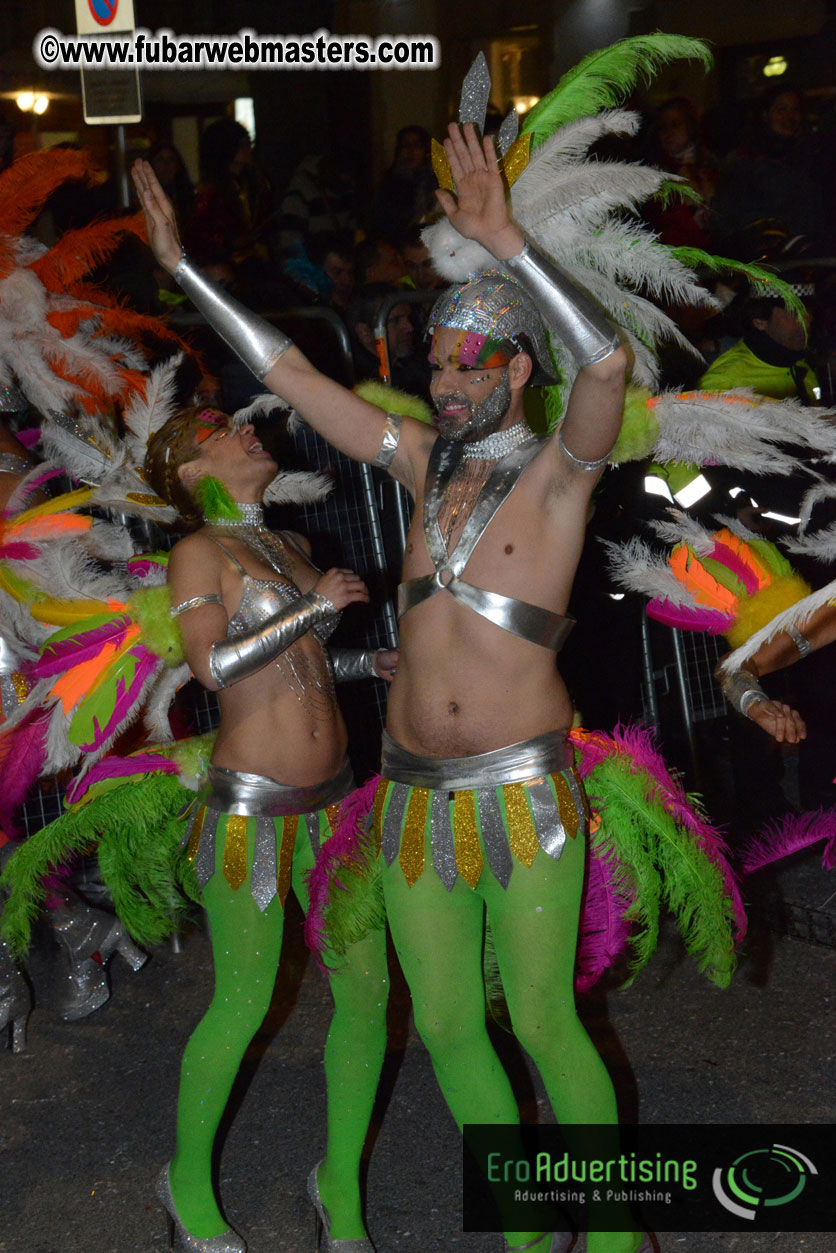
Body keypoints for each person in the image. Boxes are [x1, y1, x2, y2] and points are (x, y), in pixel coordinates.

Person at [134, 114, 639, 1253]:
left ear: (516, 368)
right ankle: (524, 1230)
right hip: (411, 799)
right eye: (437, 358)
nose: (445, 375)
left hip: (520, 790)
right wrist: (184, 274)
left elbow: (605, 364)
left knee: (549, 1023)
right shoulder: (418, 465)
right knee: (453, 1025)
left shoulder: (562, 475)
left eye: (472, 360)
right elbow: (292, 372)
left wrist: (509, 246)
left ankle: (612, 1237)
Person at [141, 404, 396, 1250]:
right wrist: (311, 609)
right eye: (221, 426)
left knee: (366, 997)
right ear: (187, 468)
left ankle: (342, 1190)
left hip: (338, 805)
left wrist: (369, 660)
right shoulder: (198, 552)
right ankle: (186, 1187)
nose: (248, 428)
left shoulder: (289, 548)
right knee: (244, 1002)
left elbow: (301, 668)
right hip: (250, 816)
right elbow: (214, 667)